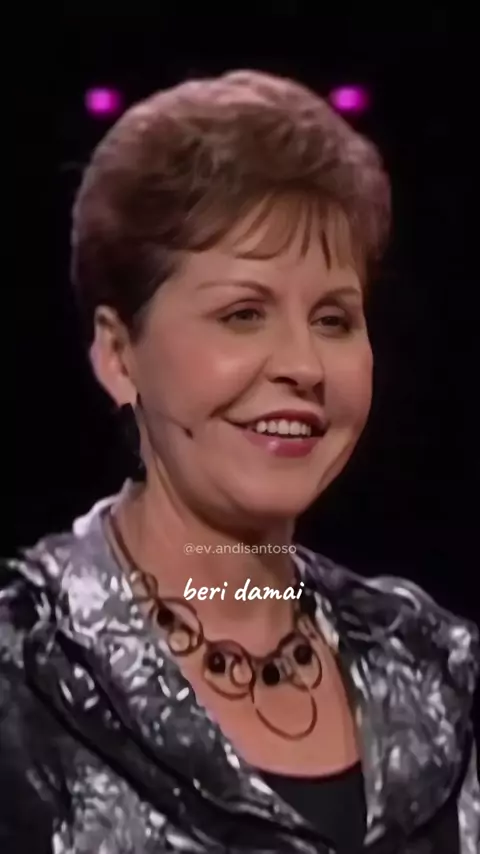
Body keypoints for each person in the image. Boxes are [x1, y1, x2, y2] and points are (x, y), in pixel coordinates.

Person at [1, 70, 478, 854]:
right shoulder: (23, 674)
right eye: (243, 314)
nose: (304, 366)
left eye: (333, 319)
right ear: (119, 355)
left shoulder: (436, 665)